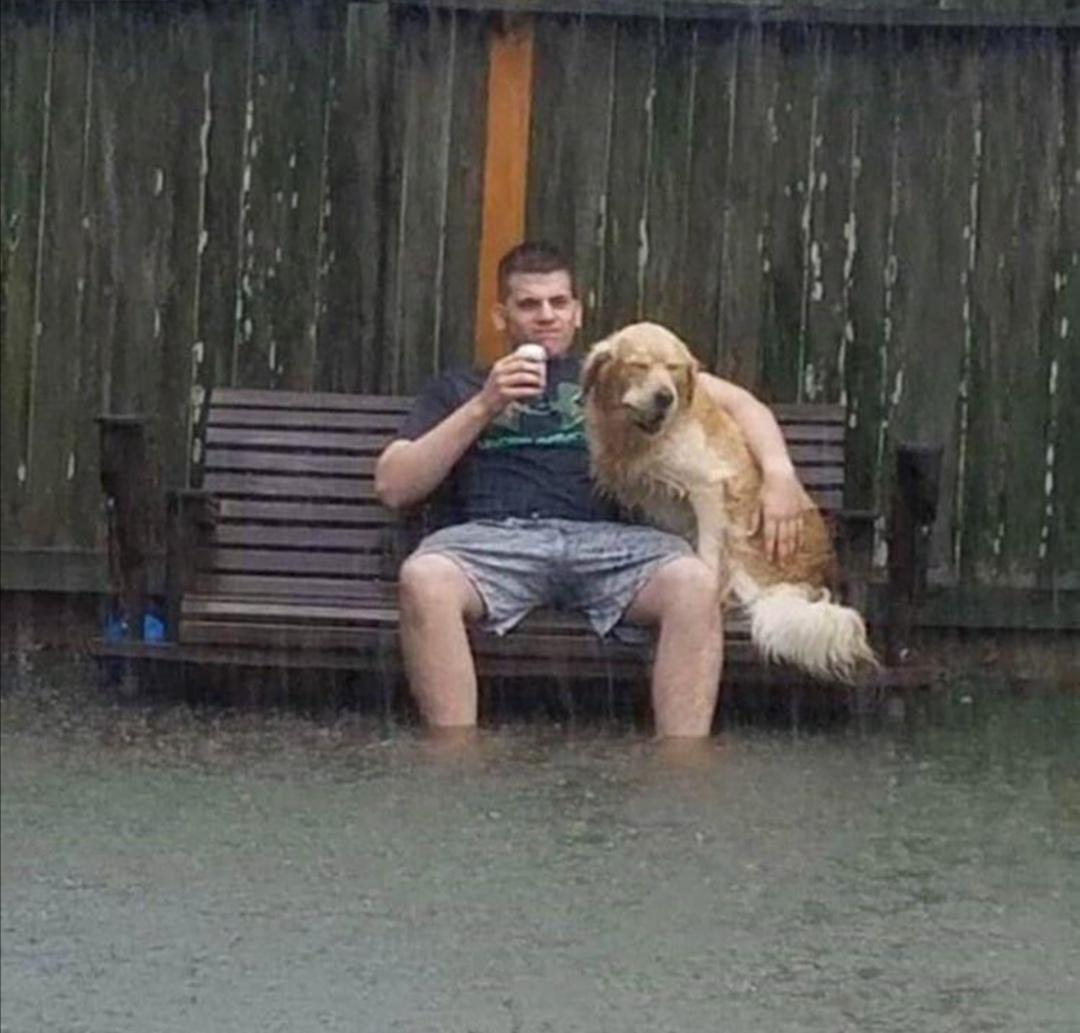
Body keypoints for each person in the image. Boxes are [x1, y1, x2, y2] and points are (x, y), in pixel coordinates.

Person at [374, 242, 811, 738]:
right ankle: (454, 759)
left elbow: (744, 406)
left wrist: (780, 474)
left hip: (609, 542)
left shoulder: (618, 370)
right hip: (498, 539)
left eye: (558, 303)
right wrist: (484, 404)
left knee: (694, 583)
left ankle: (682, 760)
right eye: (528, 304)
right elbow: (394, 485)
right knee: (423, 578)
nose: (546, 316)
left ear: (577, 313)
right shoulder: (461, 387)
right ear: (501, 316)